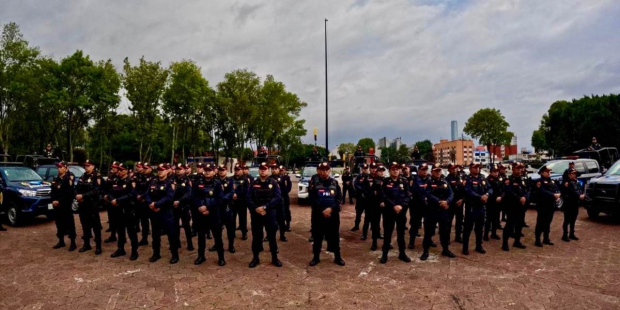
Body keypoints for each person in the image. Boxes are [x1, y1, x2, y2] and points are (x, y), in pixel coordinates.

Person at [309, 162, 345, 266]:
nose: (324, 171)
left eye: (326, 170)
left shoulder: (334, 183)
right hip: (318, 215)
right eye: (322, 170)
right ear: (319, 171)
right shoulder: (314, 184)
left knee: (335, 237)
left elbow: (339, 199)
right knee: (317, 238)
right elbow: (312, 199)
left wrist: (330, 209)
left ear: (329, 171)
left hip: (333, 215)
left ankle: (337, 257)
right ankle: (316, 258)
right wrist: (322, 210)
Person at [247, 162, 282, 268]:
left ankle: (274, 258)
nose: (263, 171)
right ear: (259, 171)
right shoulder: (253, 183)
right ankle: (255, 258)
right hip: (256, 214)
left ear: (268, 171)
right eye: (261, 169)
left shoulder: (274, 183)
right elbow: (248, 198)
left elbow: (277, 197)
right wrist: (256, 208)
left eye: (265, 169)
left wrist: (265, 207)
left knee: (271, 237)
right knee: (256, 237)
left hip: (269, 213)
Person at [145, 164, 180, 264]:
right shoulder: (153, 181)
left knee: (171, 235)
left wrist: (156, 204)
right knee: (155, 235)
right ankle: (156, 254)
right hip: (154, 212)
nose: (160, 172)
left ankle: (175, 255)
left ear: (167, 172)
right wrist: (150, 203)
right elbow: (147, 194)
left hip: (165, 212)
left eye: (162, 170)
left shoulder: (170, 183)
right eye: (159, 170)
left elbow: (169, 197)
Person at [192, 164, 226, 266]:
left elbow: (219, 199)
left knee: (218, 237)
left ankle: (221, 258)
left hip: (213, 214)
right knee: (201, 237)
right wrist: (200, 207)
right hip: (201, 214)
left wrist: (207, 208)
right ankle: (201, 256)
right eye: (205, 170)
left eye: (209, 170)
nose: (207, 172)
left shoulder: (218, 184)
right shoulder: (197, 183)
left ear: (213, 171)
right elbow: (193, 197)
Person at [421, 164, 455, 260]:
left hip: (443, 210)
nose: (438, 172)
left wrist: (447, 201)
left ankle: (445, 249)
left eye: (439, 171)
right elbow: (428, 194)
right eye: (436, 171)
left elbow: (451, 193)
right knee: (428, 232)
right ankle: (425, 251)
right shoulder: (428, 182)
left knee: (444, 231)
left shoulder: (445, 182)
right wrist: (439, 201)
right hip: (432, 210)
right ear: (432, 172)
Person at [380, 162, 411, 264]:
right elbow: (383, 195)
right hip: (389, 211)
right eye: (393, 169)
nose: (395, 171)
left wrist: (401, 206)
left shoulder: (404, 181)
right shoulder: (385, 181)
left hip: (401, 212)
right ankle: (384, 254)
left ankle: (402, 253)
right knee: (388, 233)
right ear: (389, 171)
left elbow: (408, 195)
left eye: (397, 169)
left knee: (401, 234)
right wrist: (393, 206)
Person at [108, 163, 139, 260]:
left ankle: (134, 251)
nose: (120, 172)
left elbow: (132, 195)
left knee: (131, 232)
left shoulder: (131, 181)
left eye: (122, 170)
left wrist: (118, 200)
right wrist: (112, 199)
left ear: (126, 170)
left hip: (128, 210)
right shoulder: (116, 180)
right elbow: (110, 192)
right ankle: (120, 249)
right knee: (120, 231)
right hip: (117, 210)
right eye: (119, 170)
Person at [75, 160, 104, 254]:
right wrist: (77, 195)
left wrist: (83, 196)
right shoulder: (83, 176)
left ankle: (98, 246)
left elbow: (96, 191)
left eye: (88, 166)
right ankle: (86, 244)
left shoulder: (97, 176)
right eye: (85, 166)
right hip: (83, 205)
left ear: (93, 166)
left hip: (92, 205)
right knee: (85, 225)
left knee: (96, 226)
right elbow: (77, 188)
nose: (86, 167)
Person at [462, 163, 492, 255]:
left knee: (479, 228)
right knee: (468, 228)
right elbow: (468, 191)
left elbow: (490, 188)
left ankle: (479, 246)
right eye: (475, 168)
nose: (477, 169)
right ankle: (465, 248)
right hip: (471, 208)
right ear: (471, 169)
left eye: (478, 167)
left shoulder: (482, 178)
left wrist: (487, 195)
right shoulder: (467, 179)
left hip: (481, 208)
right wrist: (480, 197)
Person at [50, 161, 77, 251]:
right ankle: (61, 241)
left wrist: (59, 201)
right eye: (58, 167)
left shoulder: (68, 179)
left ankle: (73, 242)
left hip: (65, 205)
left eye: (61, 167)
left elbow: (68, 193)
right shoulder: (56, 179)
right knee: (59, 223)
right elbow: (52, 191)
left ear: (65, 168)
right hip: (57, 206)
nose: (59, 169)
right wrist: (53, 200)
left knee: (69, 224)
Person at [501, 163, 528, 251]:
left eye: (520, 169)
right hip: (512, 206)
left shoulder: (522, 179)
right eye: (517, 169)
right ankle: (505, 243)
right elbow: (509, 192)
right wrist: (519, 198)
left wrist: (525, 197)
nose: (519, 170)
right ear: (513, 169)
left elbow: (527, 190)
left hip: (521, 206)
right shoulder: (509, 180)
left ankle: (517, 241)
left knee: (519, 225)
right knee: (509, 225)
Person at [534, 165, 560, 247]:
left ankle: (546, 239)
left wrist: (558, 194)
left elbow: (557, 188)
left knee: (548, 222)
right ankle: (537, 240)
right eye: (547, 172)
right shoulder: (539, 181)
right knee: (540, 223)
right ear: (542, 173)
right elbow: (542, 191)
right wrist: (553, 195)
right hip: (542, 205)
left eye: (549, 172)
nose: (549, 173)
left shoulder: (551, 181)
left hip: (550, 205)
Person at [172, 164, 194, 251]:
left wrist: (179, 201)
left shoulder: (187, 180)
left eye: (180, 169)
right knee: (175, 225)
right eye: (177, 169)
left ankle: (190, 244)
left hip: (183, 205)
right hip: (173, 205)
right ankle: (177, 243)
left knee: (186, 226)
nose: (178, 171)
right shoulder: (172, 179)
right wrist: (173, 201)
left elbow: (188, 193)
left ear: (184, 170)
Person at [215, 164, 237, 253]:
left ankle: (231, 245)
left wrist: (222, 198)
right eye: (220, 170)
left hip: (227, 207)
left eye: (223, 170)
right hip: (216, 207)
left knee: (230, 229)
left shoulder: (230, 181)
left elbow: (231, 192)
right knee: (217, 228)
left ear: (226, 171)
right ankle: (217, 245)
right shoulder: (215, 181)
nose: (221, 171)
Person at [409, 163, 431, 249]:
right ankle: (411, 242)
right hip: (417, 206)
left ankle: (428, 240)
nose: (425, 171)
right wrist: (425, 197)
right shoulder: (415, 180)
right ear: (419, 171)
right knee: (414, 225)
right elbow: (418, 191)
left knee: (428, 225)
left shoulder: (429, 179)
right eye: (423, 170)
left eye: (426, 169)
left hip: (427, 206)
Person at [560, 168, 584, 242]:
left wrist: (582, 194)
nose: (575, 175)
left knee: (573, 219)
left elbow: (579, 189)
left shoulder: (576, 181)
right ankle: (564, 235)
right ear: (569, 175)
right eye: (573, 174)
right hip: (568, 203)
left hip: (575, 203)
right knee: (567, 220)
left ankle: (571, 234)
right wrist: (578, 195)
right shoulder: (566, 183)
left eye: (575, 174)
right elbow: (571, 191)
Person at [366, 163, 385, 251]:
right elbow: (369, 193)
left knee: (387, 224)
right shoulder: (372, 180)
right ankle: (374, 243)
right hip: (374, 205)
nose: (381, 172)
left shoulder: (386, 180)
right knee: (375, 224)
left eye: (382, 171)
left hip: (385, 205)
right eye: (379, 171)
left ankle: (386, 242)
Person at [445, 163, 465, 243]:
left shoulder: (460, 178)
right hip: (451, 203)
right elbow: (446, 192)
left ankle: (458, 237)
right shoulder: (447, 179)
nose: (454, 170)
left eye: (455, 168)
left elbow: (464, 190)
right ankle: (447, 238)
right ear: (449, 170)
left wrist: (462, 200)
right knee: (448, 221)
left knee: (459, 221)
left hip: (459, 202)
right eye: (452, 168)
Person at [135, 163, 153, 246]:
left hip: (149, 202)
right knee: (144, 221)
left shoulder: (153, 178)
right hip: (141, 202)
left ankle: (155, 239)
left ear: (150, 169)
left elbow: (149, 190)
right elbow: (136, 188)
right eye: (144, 168)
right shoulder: (140, 178)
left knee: (153, 221)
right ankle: (144, 238)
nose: (145, 170)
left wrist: (142, 196)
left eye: (146, 168)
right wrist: (137, 195)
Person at [269, 164, 288, 242]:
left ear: (278, 170)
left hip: (280, 201)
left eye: (276, 168)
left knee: (281, 219)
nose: (274, 170)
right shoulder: (268, 178)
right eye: (272, 169)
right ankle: (268, 235)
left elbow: (285, 190)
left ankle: (282, 235)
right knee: (270, 220)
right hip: (271, 202)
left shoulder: (282, 179)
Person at [484, 165, 503, 241]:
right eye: (494, 172)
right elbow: (489, 191)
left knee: (496, 218)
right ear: (491, 172)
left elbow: (501, 189)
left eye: (497, 172)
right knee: (489, 219)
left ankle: (494, 233)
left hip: (498, 202)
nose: (496, 173)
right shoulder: (488, 180)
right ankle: (485, 235)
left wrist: (501, 196)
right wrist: (495, 198)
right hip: (491, 202)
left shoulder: (498, 179)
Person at [232, 164, 250, 240]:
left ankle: (244, 233)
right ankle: (232, 233)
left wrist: (237, 195)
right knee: (232, 218)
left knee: (242, 218)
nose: (237, 171)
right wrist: (232, 194)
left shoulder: (245, 179)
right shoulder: (230, 179)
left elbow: (246, 190)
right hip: (232, 202)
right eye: (236, 170)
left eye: (238, 170)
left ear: (241, 170)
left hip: (242, 202)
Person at [351, 163, 369, 232]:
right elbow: (355, 184)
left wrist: (367, 191)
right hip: (360, 198)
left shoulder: (370, 176)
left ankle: (369, 227)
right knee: (358, 213)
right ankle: (356, 226)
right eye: (364, 169)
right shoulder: (358, 176)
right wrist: (361, 190)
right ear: (362, 169)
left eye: (366, 168)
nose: (365, 170)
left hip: (367, 199)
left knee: (368, 214)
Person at [279, 166, 293, 231]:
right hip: (277, 196)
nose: (281, 171)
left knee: (286, 210)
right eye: (280, 170)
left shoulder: (287, 177)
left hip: (285, 196)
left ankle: (288, 225)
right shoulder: (276, 177)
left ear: (285, 170)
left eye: (282, 170)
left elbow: (289, 186)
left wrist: (285, 191)